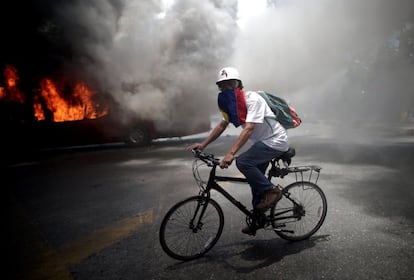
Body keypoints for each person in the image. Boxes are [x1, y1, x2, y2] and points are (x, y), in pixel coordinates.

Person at [187, 66, 290, 235]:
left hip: (275, 141)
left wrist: (231, 154)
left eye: (230, 84)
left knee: (243, 162)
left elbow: (249, 128)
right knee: (255, 183)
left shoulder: (252, 100)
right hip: (262, 142)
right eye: (223, 86)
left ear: (239, 84)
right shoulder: (232, 105)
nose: (226, 89)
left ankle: (273, 191)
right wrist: (203, 144)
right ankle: (258, 220)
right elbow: (222, 124)